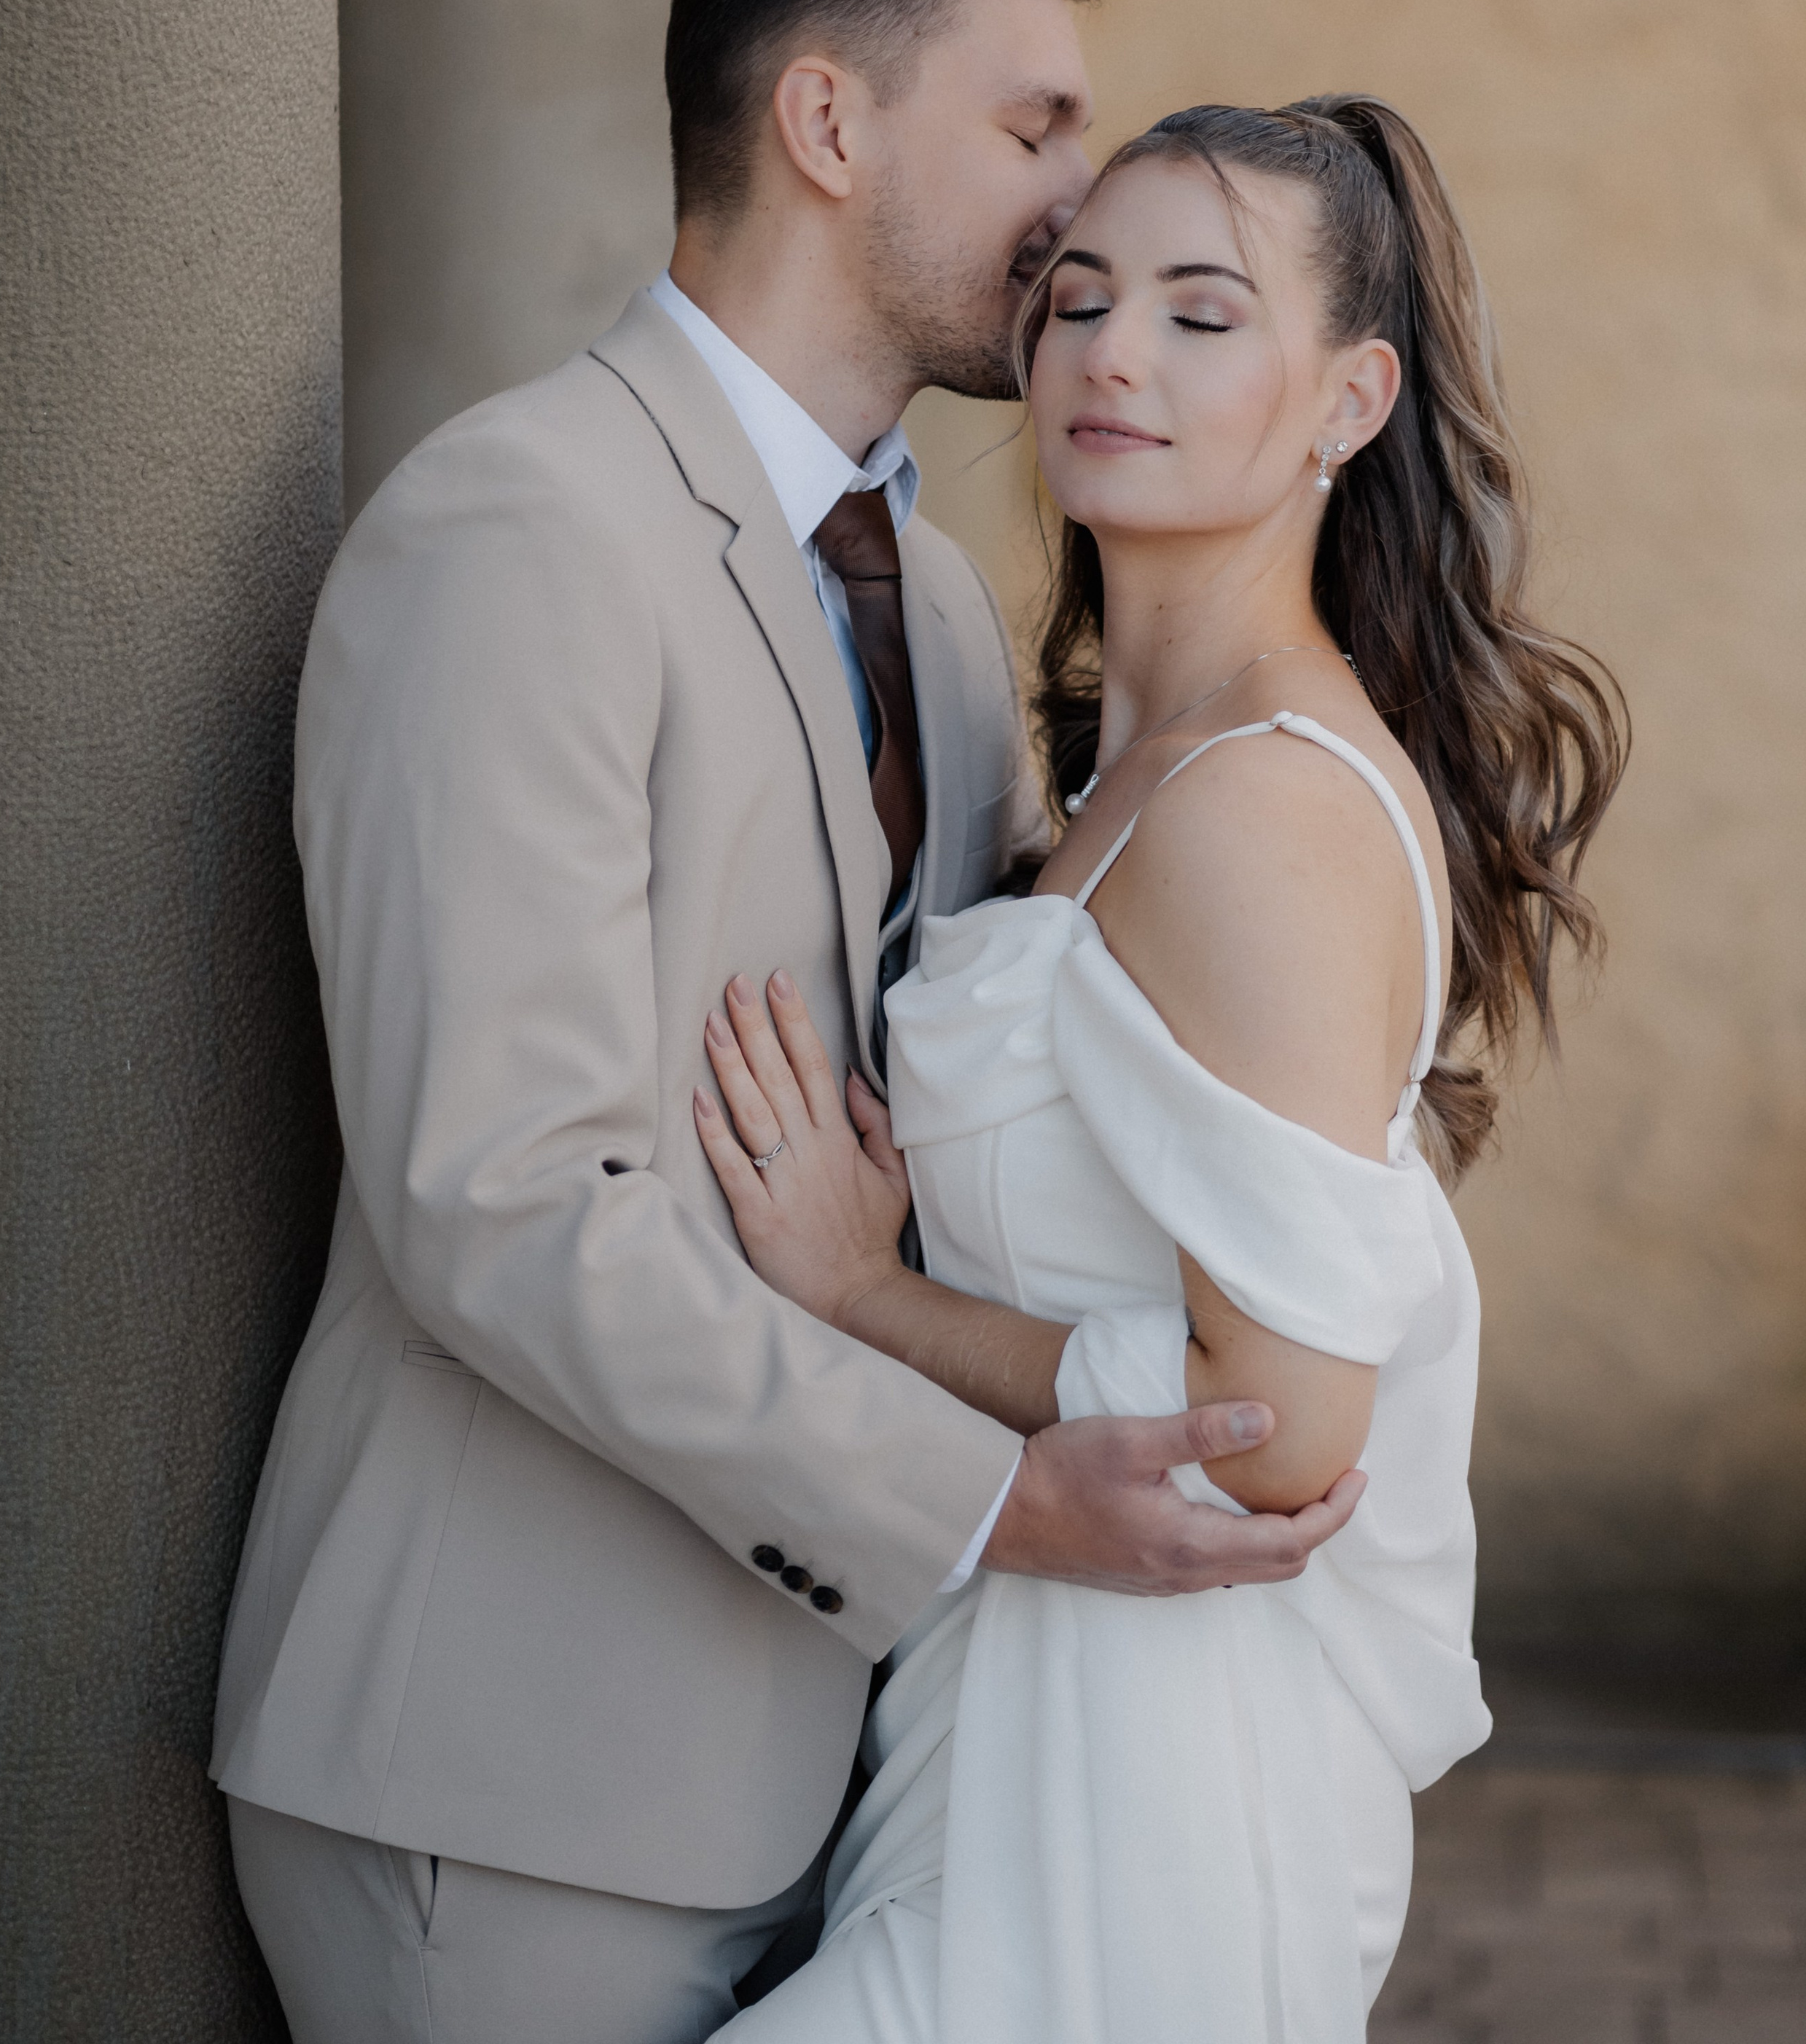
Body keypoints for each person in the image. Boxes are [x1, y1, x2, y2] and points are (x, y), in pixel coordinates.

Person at [210, 0, 1369, 2044]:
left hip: (845, 1765)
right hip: (517, 1773)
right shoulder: (519, 529)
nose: (1079, 201)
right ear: (828, 125)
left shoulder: (940, 607)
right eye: (1034, 126)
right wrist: (997, 1503)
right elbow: (500, 1202)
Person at [695, 98, 1629, 2041]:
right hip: (1019, 1715)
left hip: (1155, 1773)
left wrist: (867, 1297)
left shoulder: (1261, 809)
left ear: (1350, 400)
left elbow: (1274, 1429)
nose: (1112, 353)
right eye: (1078, 300)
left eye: (1202, 316)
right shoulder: (1139, 770)